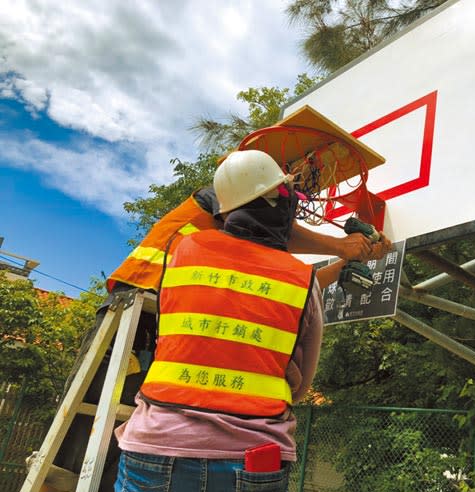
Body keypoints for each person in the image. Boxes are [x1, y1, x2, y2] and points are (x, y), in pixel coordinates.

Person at [53, 151, 391, 490]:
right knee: (74, 455)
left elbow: (272, 268)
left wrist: (343, 261)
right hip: (133, 311)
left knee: (109, 442)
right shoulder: (216, 198)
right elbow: (291, 272)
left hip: (155, 434)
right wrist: (341, 246)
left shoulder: (187, 252)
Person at [112, 149, 343, 491]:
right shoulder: (301, 278)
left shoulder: (182, 252)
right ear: (281, 207)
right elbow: (301, 385)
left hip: (153, 445)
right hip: (253, 455)